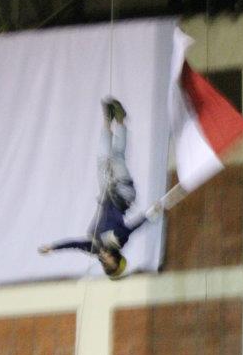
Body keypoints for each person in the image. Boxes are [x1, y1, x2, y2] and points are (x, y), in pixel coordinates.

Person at [38, 97, 155, 279]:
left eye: (106, 263)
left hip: (107, 193)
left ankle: (107, 120)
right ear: (116, 257)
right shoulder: (118, 241)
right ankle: (121, 120)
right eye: (111, 261)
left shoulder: (94, 248)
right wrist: (150, 215)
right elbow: (133, 227)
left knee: (102, 158)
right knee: (116, 157)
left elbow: (74, 244)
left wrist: (53, 247)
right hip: (123, 194)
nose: (106, 259)